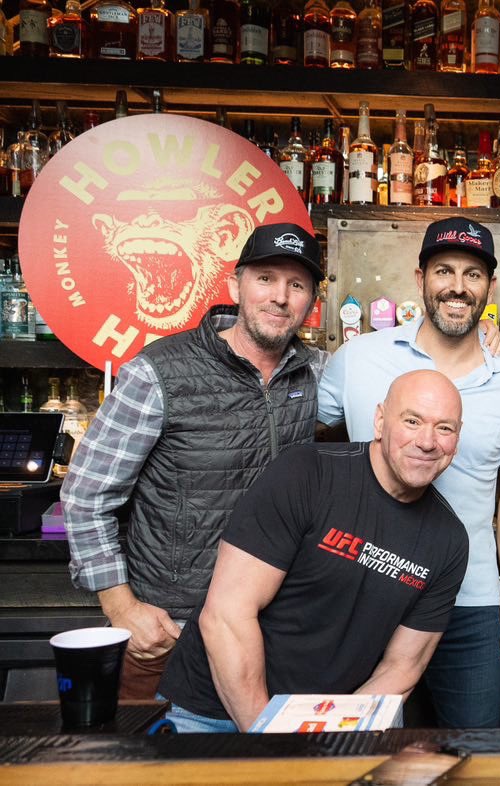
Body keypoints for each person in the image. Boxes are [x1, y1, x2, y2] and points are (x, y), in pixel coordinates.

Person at [62, 222, 325, 700]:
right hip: (174, 628)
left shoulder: (316, 374)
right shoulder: (159, 372)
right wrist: (122, 608)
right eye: (266, 278)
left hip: (273, 625)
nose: (280, 296)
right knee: (154, 749)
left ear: (311, 302)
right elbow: (86, 496)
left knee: (265, 748)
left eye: (297, 285)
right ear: (235, 286)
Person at [317, 216, 500, 729]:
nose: (457, 287)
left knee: (476, 749)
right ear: (420, 279)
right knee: (360, 749)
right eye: (444, 271)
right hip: (365, 592)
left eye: (472, 274)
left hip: (471, 601)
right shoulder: (359, 358)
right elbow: (300, 432)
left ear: (490, 288)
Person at [159, 371, 470, 732]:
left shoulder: (448, 540)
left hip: (323, 722)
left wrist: (336, 735)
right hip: (211, 712)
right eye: (412, 421)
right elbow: (226, 615)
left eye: (444, 428)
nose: (427, 442)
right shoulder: (308, 474)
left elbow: (402, 667)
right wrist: (270, 739)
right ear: (380, 421)